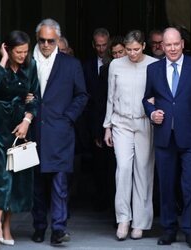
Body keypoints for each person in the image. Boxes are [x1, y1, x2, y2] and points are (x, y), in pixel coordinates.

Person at [142, 27, 191, 248]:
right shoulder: (153, 69)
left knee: (190, 185)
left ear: (183, 44)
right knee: (166, 186)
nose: (172, 48)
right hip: (165, 137)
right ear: (162, 46)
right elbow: (146, 99)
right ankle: (168, 228)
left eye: (176, 44)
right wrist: (151, 113)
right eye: (168, 45)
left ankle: (190, 230)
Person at [31, 18, 88, 245]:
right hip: (33, 130)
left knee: (60, 183)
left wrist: (68, 118)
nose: (46, 44)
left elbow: (82, 95)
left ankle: (58, 229)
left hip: (60, 131)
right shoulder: (27, 61)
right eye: (42, 40)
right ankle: (38, 226)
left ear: (58, 40)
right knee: (36, 184)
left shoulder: (70, 64)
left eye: (50, 41)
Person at [103, 30, 157, 240]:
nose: (132, 54)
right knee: (123, 169)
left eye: (136, 49)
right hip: (121, 122)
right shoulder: (116, 65)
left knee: (143, 171)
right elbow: (110, 96)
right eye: (128, 50)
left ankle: (141, 222)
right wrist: (107, 125)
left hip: (145, 122)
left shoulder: (154, 64)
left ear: (144, 46)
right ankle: (123, 219)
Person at [0, 30, 39, 247]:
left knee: (16, 178)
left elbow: (35, 96)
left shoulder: (30, 66)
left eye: (25, 51)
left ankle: (6, 226)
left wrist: (27, 120)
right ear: (8, 49)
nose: (23, 55)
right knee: (0, 177)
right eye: (18, 52)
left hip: (19, 127)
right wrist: (2, 60)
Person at [92, 36, 126, 212]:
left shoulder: (143, 67)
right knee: (115, 169)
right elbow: (100, 101)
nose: (119, 56)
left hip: (136, 125)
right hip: (112, 125)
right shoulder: (106, 70)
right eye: (115, 53)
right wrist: (100, 130)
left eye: (121, 52)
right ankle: (116, 213)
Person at [82, 27, 111, 211]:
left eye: (104, 45)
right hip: (95, 122)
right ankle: (101, 201)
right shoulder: (87, 67)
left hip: (116, 122)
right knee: (99, 166)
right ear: (93, 45)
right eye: (98, 45)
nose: (101, 49)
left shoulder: (117, 62)